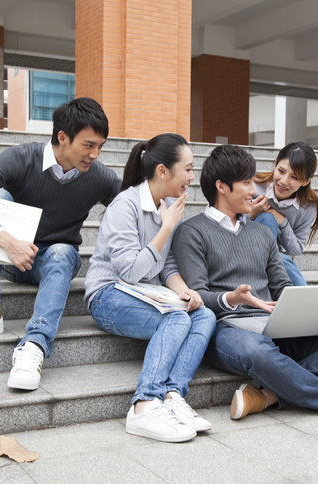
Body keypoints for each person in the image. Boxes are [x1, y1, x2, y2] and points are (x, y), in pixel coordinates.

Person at [172, 144, 318, 420]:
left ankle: (268, 395)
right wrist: (234, 298)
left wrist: (311, 304)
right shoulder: (191, 232)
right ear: (221, 186)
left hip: (272, 323)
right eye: (245, 182)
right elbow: (197, 296)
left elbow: (281, 287)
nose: (254, 191)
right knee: (257, 349)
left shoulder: (261, 233)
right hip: (226, 330)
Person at [0, 97, 121, 392]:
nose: (95, 154)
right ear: (62, 137)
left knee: (64, 251)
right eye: (89, 145)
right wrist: (9, 242)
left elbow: (131, 205)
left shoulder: (99, 177)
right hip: (8, 258)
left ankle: (35, 345)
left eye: (100, 146)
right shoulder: (21, 159)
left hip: (52, 262)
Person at [84, 133, 216, 443]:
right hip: (108, 294)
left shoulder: (168, 204)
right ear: (162, 171)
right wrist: (166, 226)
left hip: (148, 294)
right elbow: (129, 271)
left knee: (203, 315)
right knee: (176, 318)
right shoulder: (125, 205)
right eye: (187, 168)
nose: (191, 177)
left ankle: (172, 398)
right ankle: (144, 406)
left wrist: (185, 290)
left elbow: (167, 265)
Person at [249, 141, 318, 286]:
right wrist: (251, 213)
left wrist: (283, 222)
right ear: (275, 165)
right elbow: (223, 222)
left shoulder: (307, 207)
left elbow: (296, 249)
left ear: (306, 181)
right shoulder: (252, 187)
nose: (284, 181)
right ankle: (307, 298)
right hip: (243, 251)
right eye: (281, 171)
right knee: (267, 219)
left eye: (294, 177)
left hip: (273, 261)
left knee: (276, 256)